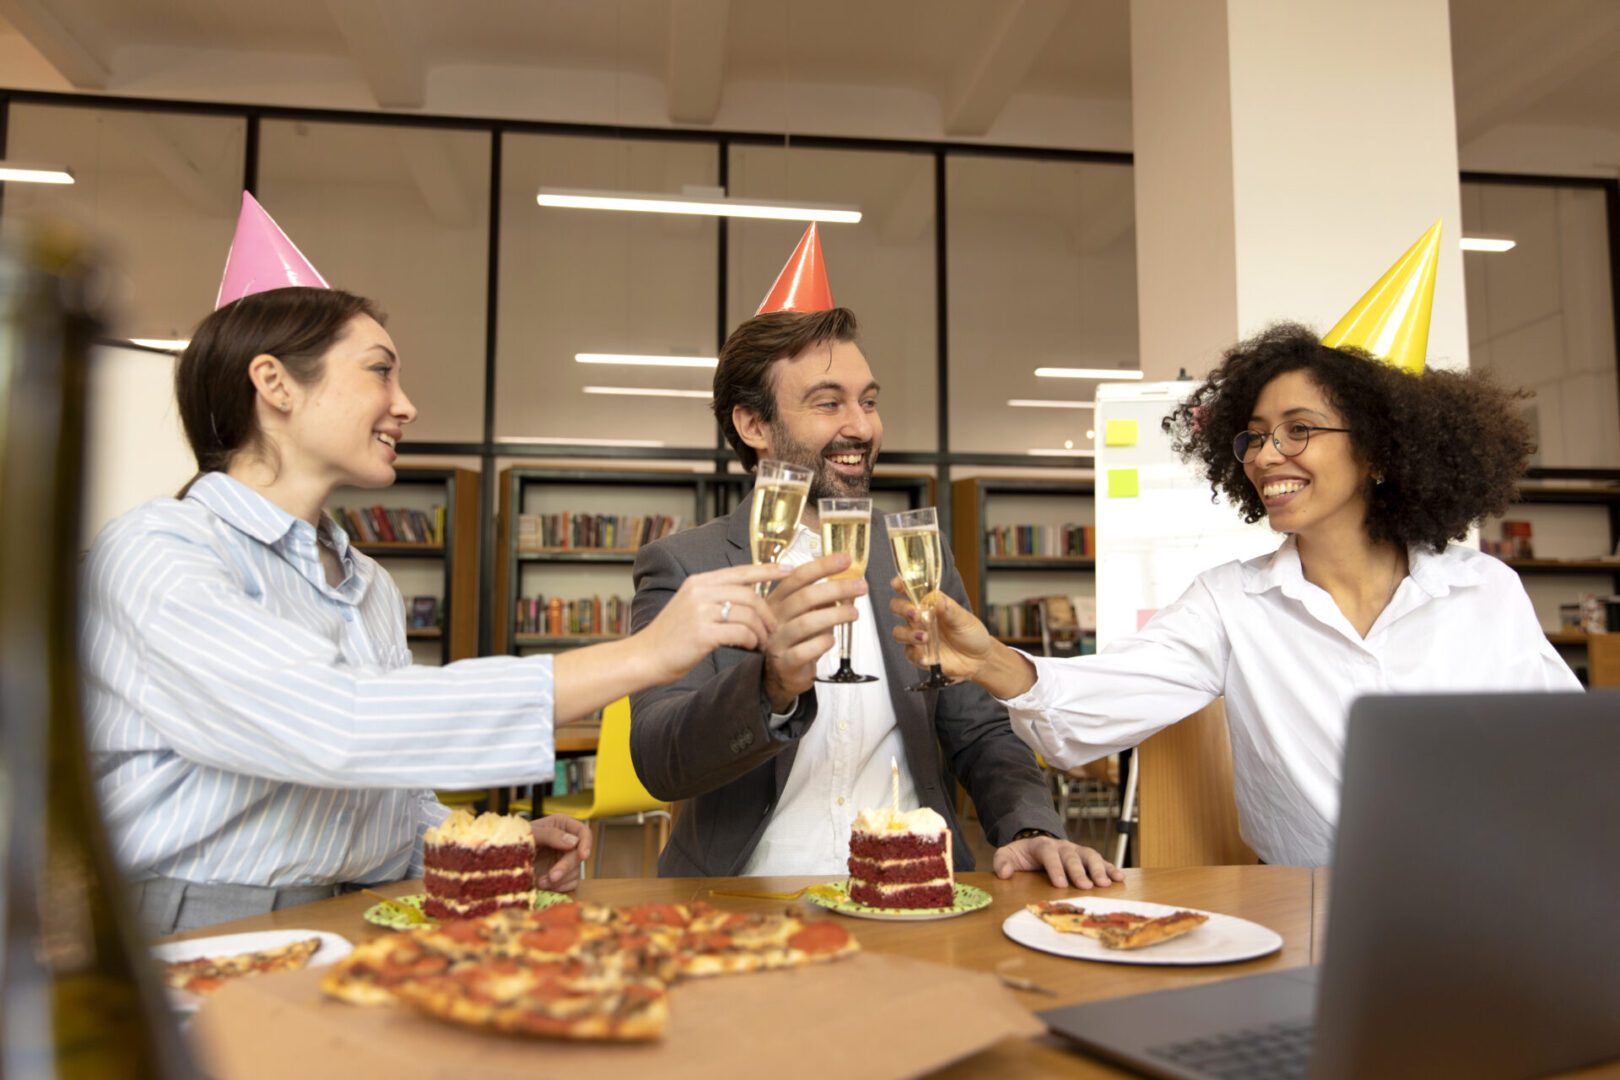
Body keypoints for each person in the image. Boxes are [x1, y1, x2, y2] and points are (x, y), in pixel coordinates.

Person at [82, 196, 784, 935]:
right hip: (201, 928)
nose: (406, 404)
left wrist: (471, 850)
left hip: (362, 909)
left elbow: (383, 784)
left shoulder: (367, 584)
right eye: (380, 372)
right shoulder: (160, 553)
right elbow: (337, 723)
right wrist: (645, 654)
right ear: (275, 383)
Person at [891, 321, 1581, 867]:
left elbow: (1567, 756)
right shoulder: (1232, 603)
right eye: (1253, 435)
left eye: (1298, 430)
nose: (1263, 454)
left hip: (1487, 898)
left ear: (1377, 453)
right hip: (1314, 920)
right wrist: (988, 662)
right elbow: (1097, 705)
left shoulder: (1481, 588)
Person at [629, 225, 1121, 890]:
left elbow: (978, 729)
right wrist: (768, 688)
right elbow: (659, 759)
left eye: (868, 401)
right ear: (753, 425)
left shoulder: (911, 554)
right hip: (745, 898)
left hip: (913, 894)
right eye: (827, 403)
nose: (861, 427)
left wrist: (1030, 826)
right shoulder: (684, 563)